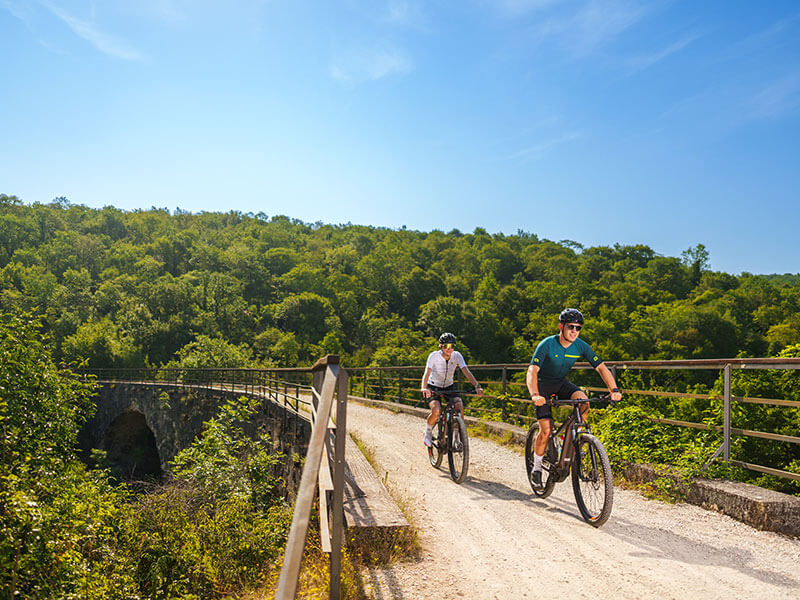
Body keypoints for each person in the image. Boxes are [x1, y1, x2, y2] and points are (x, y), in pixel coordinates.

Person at [525, 308, 622, 488]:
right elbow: (532, 371)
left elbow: (601, 367)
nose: (574, 331)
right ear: (561, 326)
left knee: (584, 403)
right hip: (542, 386)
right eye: (571, 327)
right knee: (546, 430)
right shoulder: (547, 344)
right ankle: (536, 468)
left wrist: (613, 389)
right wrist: (535, 395)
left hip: (560, 383)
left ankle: (569, 441)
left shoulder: (581, 346)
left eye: (578, 328)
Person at [421, 332, 484, 447]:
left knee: (459, 406)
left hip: (449, 386)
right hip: (433, 386)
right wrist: (424, 387)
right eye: (446, 346)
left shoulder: (457, 356)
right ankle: (428, 432)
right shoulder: (433, 356)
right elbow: (427, 372)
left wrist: (477, 385)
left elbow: (466, 371)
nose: (449, 349)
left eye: (452, 346)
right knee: (436, 411)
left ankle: (456, 436)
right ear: (441, 346)